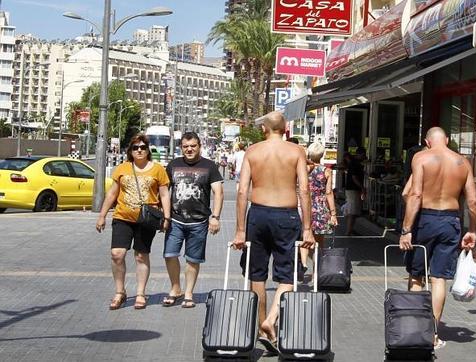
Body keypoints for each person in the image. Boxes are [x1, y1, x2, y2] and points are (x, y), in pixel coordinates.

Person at [232, 111, 315, 355]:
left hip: (257, 215)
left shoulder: (253, 151)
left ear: (264, 129)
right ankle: (272, 318)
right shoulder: (296, 152)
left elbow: (241, 192)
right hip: (286, 216)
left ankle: (261, 329)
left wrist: (239, 230)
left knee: (256, 274)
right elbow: (305, 189)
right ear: (285, 129)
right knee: (288, 274)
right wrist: (308, 228)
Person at [399, 127, 476, 349]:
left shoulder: (421, 157)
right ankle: (432, 334)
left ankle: (415, 331)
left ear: (427, 141)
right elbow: (473, 201)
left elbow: (413, 194)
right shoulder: (462, 162)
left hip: (425, 217)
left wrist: (406, 229)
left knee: (416, 276)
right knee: (439, 278)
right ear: (448, 140)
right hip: (450, 220)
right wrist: (471, 229)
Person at [96, 133, 171, 310]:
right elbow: (113, 193)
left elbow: (164, 194)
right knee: (117, 254)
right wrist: (102, 215)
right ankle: (120, 292)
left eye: (143, 147)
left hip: (146, 220)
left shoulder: (158, 169)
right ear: (130, 150)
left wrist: (166, 217)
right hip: (122, 217)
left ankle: (140, 293)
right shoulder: (122, 168)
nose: (139, 150)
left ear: (148, 150)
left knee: (141, 255)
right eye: (135, 147)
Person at [163, 132, 224, 308]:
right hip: (176, 220)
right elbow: (165, 191)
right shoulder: (173, 165)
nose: (189, 149)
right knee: (170, 254)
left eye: (193, 146)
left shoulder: (209, 166)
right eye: (185, 146)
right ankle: (175, 289)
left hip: (199, 222)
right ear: (181, 147)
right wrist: (164, 215)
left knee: (193, 259)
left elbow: (218, 192)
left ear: (199, 146)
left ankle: (188, 293)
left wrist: (216, 217)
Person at [300, 142, 338, 272]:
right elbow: (329, 193)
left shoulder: (304, 169)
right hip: (321, 208)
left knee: (304, 238)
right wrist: (333, 214)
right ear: (322, 155)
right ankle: (317, 269)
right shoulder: (327, 171)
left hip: (305, 206)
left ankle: (303, 264)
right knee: (319, 241)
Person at [344, 146, 366, 235]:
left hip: (352, 188)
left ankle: (351, 229)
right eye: (364, 155)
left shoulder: (354, 162)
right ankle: (349, 231)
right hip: (353, 189)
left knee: (353, 210)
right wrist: (362, 187)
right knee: (352, 211)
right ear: (361, 154)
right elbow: (354, 177)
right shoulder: (355, 163)